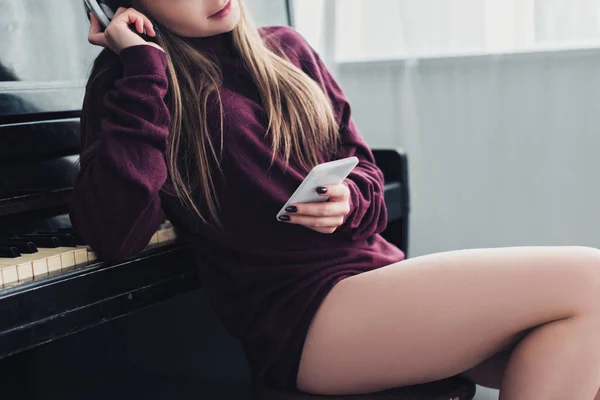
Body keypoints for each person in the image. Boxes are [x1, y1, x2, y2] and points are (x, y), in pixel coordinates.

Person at [72, 0, 600, 398]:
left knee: (576, 337)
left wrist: (348, 201)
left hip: (373, 279)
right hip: (306, 319)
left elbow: (365, 171)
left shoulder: (286, 49)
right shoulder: (132, 81)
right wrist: (143, 67)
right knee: (591, 280)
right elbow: (116, 233)